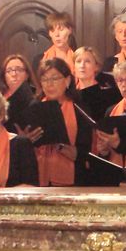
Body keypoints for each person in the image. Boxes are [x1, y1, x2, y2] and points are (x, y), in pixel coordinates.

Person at [24, 58, 90, 187]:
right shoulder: (34, 107)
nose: (49, 84)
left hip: (73, 179)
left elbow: (86, 152)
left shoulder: (80, 109)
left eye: (54, 78)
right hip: (38, 178)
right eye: (44, 79)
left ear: (67, 80)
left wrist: (61, 146)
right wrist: (27, 141)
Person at [92, 60, 126, 166]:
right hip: (115, 170)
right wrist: (104, 150)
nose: (124, 84)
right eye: (120, 80)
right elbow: (105, 153)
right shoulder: (111, 110)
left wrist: (118, 144)